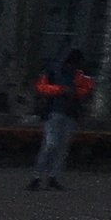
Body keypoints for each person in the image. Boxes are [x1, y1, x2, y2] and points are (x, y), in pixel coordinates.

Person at [28, 48, 94, 192]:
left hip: (67, 113)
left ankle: (50, 176)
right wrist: (62, 90)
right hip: (54, 112)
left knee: (60, 147)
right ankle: (39, 176)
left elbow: (87, 89)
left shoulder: (77, 75)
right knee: (51, 145)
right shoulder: (53, 72)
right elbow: (41, 87)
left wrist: (74, 92)